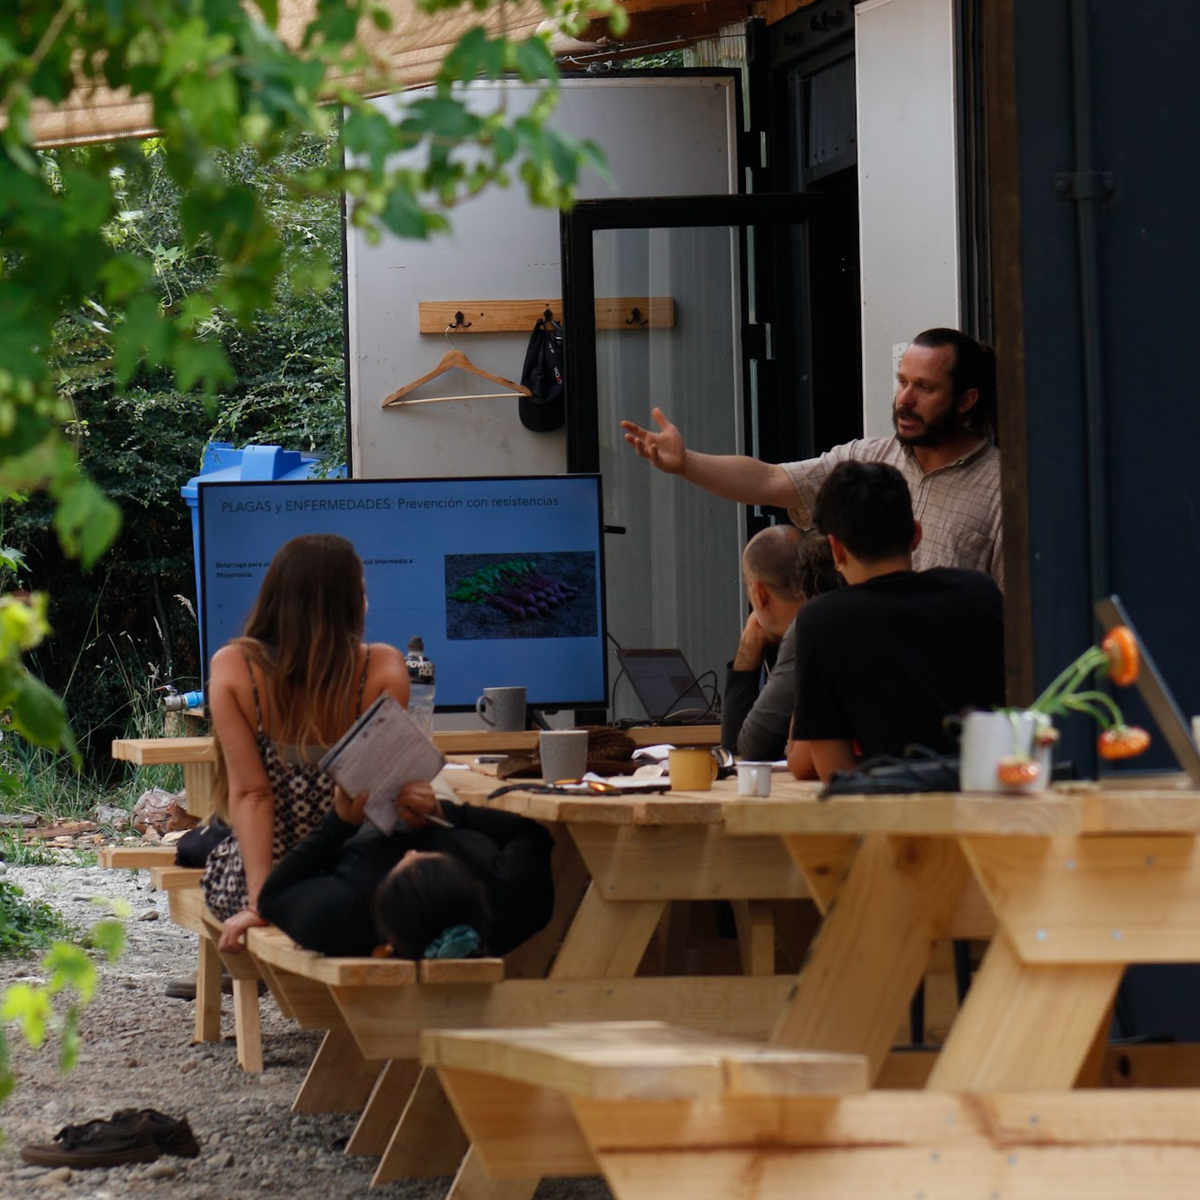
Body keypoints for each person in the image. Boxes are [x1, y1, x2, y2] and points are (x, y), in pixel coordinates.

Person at [621, 328, 1003, 587]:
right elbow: (770, 480)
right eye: (902, 382)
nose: (905, 399)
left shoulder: (1004, 487)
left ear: (966, 400)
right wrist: (686, 463)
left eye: (924, 387)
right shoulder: (870, 458)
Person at [200, 533, 419, 953]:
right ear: (347, 602)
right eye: (362, 590)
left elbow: (251, 794)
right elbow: (379, 796)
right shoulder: (384, 668)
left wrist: (262, 900)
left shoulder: (233, 667)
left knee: (210, 843)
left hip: (266, 869)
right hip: (354, 866)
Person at [787, 461, 1004, 782]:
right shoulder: (978, 592)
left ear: (836, 550)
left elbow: (835, 771)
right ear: (916, 534)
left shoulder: (823, 622)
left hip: (891, 806)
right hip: (992, 798)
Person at [256, 782, 555, 959]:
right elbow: (532, 832)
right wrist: (444, 813)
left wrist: (338, 823)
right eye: (431, 857)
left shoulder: (344, 910)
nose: (411, 851)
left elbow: (271, 895)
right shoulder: (512, 897)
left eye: (402, 863)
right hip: (431, 808)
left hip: (365, 814)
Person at [721, 529, 842, 762]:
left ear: (759, 594)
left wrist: (747, 653)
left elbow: (748, 747)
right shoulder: (835, 610)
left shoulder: (808, 628)